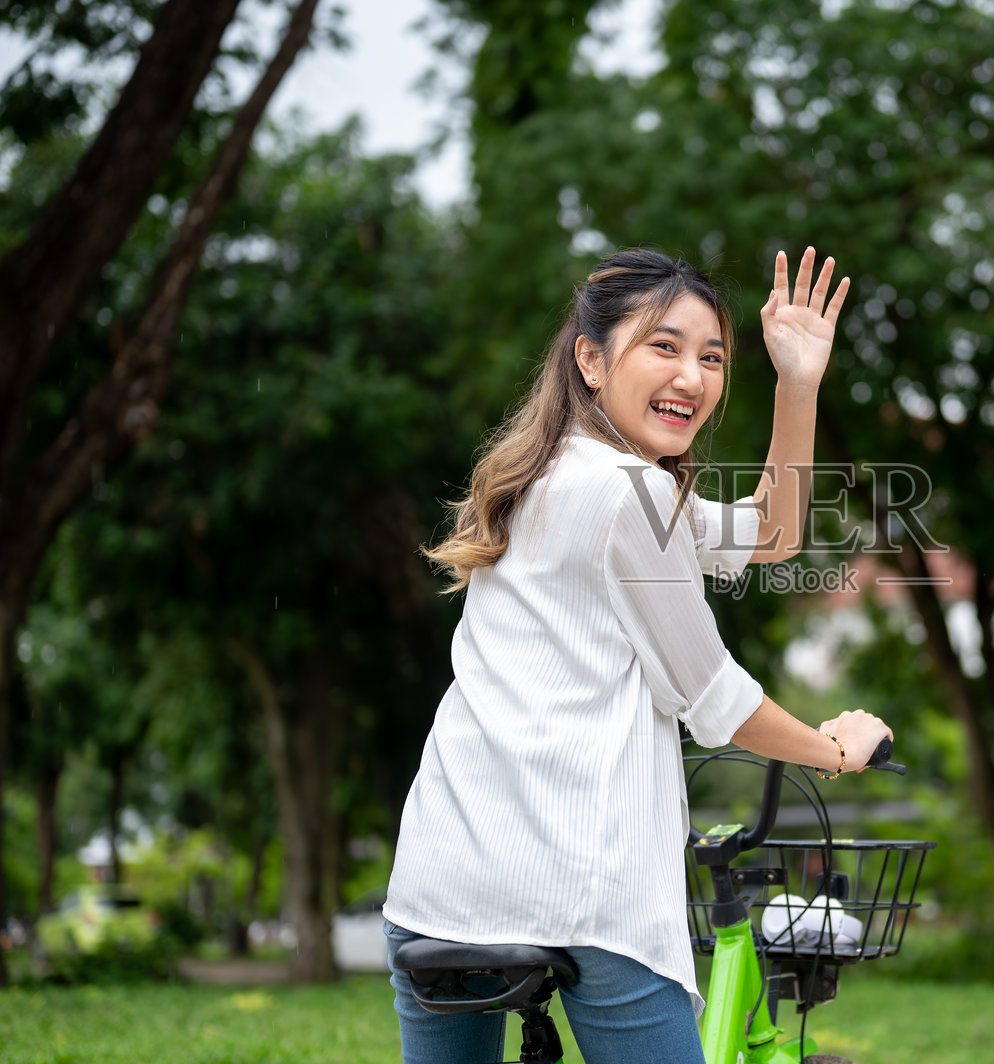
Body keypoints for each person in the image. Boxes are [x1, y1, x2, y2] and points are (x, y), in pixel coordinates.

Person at [382, 246, 893, 1064]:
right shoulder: (633, 494)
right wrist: (837, 750)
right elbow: (716, 699)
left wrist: (797, 382)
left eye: (712, 357)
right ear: (590, 358)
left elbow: (769, 531)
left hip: (440, 884)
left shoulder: (537, 477)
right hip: (586, 892)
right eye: (665, 345)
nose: (692, 376)